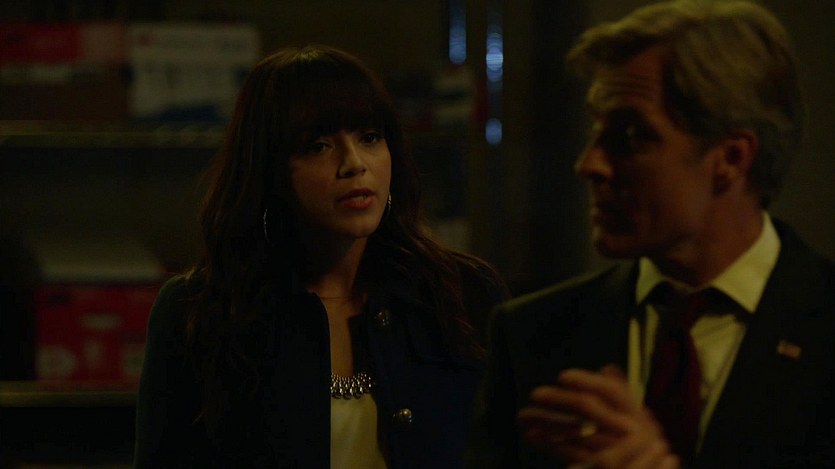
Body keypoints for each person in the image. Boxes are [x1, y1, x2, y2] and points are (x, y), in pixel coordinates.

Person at [469, 1, 835, 468]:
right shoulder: (531, 334)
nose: (589, 165)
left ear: (731, 158)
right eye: (596, 130)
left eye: (631, 136)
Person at [134, 45, 508, 468]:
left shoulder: (459, 293)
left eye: (370, 138)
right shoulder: (202, 312)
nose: (354, 164)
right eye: (318, 146)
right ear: (270, 170)